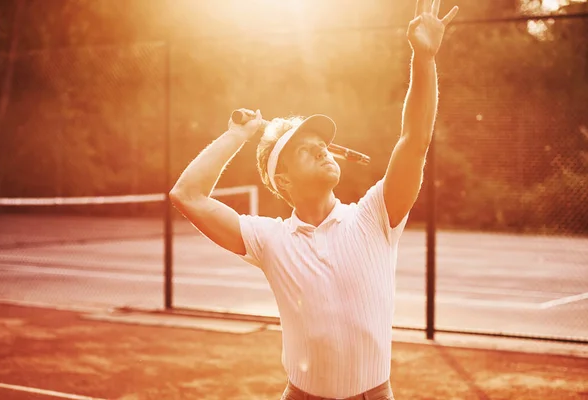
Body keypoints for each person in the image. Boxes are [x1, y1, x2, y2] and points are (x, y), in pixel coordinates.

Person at [170, 0, 458, 398]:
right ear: (282, 179)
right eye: (307, 148)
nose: (323, 150)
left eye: (323, 143)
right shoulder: (269, 239)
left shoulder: (375, 215)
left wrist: (423, 58)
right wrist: (237, 135)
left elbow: (415, 140)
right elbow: (187, 195)